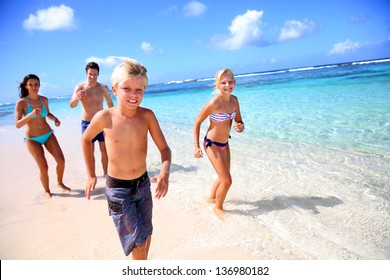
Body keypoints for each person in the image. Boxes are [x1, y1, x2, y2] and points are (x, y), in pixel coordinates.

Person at [81, 57, 171, 260]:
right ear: (114, 90)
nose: (133, 95)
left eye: (139, 90)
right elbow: (86, 140)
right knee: (137, 246)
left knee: (146, 236)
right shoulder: (105, 117)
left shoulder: (147, 116)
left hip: (143, 185)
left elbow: (165, 149)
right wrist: (90, 174)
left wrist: (164, 172)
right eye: (126, 89)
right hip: (119, 190)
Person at [193, 68, 244, 217]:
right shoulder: (214, 103)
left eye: (230, 82)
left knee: (223, 177)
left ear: (234, 83)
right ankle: (218, 208)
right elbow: (197, 123)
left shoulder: (234, 100)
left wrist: (240, 127)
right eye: (223, 82)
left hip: (225, 144)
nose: (227, 85)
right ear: (217, 85)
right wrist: (196, 146)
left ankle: (211, 198)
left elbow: (239, 121)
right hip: (212, 144)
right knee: (227, 181)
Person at [14, 74, 71, 198]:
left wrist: (55, 119)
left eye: (36, 84)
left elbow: (47, 113)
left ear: (39, 85)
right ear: (26, 86)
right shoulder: (22, 102)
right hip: (32, 139)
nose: (34, 87)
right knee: (44, 167)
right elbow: (18, 124)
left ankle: (60, 183)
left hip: (48, 134)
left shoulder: (43, 99)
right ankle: (47, 191)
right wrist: (31, 114)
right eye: (31, 85)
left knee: (61, 161)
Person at [70, 62, 114, 176]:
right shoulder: (80, 87)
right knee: (90, 152)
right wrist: (77, 98)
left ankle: (106, 175)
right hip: (87, 123)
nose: (92, 77)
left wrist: (114, 119)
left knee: (104, 150)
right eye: (90, 74)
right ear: (86, 73)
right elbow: (72, 104)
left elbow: (110, 103)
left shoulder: (103, 88)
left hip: (102, 123)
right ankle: (92, 176)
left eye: (95, 74)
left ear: (98, 74)